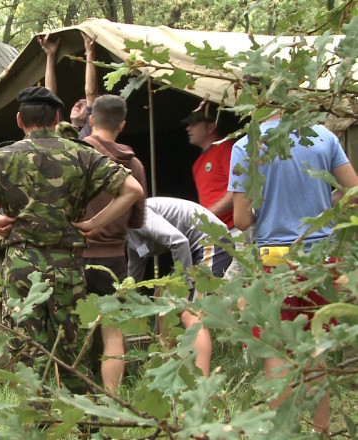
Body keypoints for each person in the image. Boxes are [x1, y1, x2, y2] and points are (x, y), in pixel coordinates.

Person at [0, 87, 143, 393]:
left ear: (20, 119)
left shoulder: (1, 157)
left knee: (25, 353)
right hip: (69, 268)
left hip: (21, 267)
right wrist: (93, 223)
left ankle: (33, 424)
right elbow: (132, 190)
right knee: (73, 355)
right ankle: (84, 425)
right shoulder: (84, 155)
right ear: (58, 118)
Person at [229, 114, 358, 434]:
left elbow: (242, 220)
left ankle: (284, 432)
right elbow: (353, 192)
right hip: (322, 260)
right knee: (317, 351)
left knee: (277, 352)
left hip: (274, 260)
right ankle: (321, 430)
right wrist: (326, 205)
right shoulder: (324, 137)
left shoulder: (246, 145)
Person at [81, 95, 147, 393]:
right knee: (113, 334)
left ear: (91, 120)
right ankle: (113, 401)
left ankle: (72, 396)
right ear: (122, 125)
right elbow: (137, 220)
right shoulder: (134, 165)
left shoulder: (78, 155)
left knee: (70, 331)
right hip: (114, 260)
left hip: (74, 259)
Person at [127, 197, 232, 377]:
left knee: (191, 313)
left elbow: (179, 242)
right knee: (162, 297)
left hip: (212, 240)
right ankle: (170, 371)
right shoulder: (129, 235)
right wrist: (125, 304)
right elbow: (134, 272)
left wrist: (186, 286)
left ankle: (201, 385)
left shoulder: (139, 217)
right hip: (195, 250)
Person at [183, 101, 235, 228]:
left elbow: (238, 190)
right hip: (214, 232)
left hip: (234, 229)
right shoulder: (197, 164)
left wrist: (207, 215)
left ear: (211, 127)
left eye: (194, 124)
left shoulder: (227, 148)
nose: (188, 128)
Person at [39, 32, 98, 140]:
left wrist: (90, 53)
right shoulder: (61, 129)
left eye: (84, 104)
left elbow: (91, 93)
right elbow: (50, 95)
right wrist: (50, 55)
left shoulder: (89, 131)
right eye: (78, 102)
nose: (78, 105)